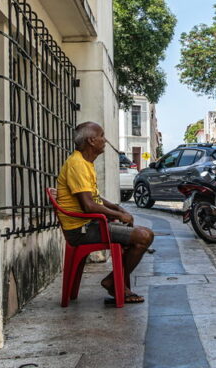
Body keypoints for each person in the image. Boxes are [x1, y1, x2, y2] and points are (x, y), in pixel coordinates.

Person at [55, 121, 155, 304]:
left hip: (89, 224)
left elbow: (95, 199)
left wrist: (116, 208)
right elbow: (88, 206)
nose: (105, 140)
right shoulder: (77, 164)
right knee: (144, 236)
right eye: (102, 136)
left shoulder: (85, 163)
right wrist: (118, 215)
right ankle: (112, 282)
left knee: (135, 236)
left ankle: (118, 284)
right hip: (81, 229)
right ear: (92, 141)